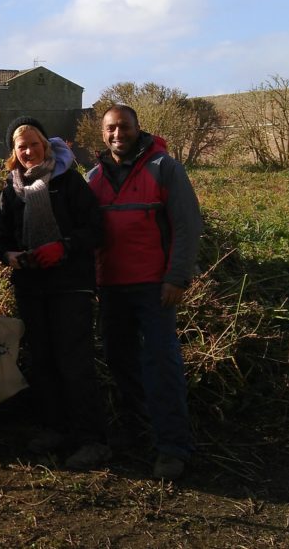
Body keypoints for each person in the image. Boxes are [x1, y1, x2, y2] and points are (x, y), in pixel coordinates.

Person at [88, 104, 203, 479]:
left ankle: (172, 447)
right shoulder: (93, 177)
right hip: (111, 288)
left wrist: (177, 277)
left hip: (155, 288)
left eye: (124, 127)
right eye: (110, 129)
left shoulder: (164, 168)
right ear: (102, 134)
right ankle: (137, 434)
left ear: (138, 129)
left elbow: (187, 225)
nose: (117, 134)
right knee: (121, 363)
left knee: (161, 365)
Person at [0, 116, 110, 469]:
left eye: (33, 144)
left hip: (70, 285)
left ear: (46, 145)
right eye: (20, 146)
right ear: (14, 152)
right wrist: (10, 255)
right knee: (42, 361)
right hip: (31, 286)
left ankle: (91, 439)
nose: (28, 151)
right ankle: (54, 428)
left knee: (74, 361)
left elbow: (96, 230)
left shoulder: (68, 182)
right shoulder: (11, 190)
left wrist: (65, 246)